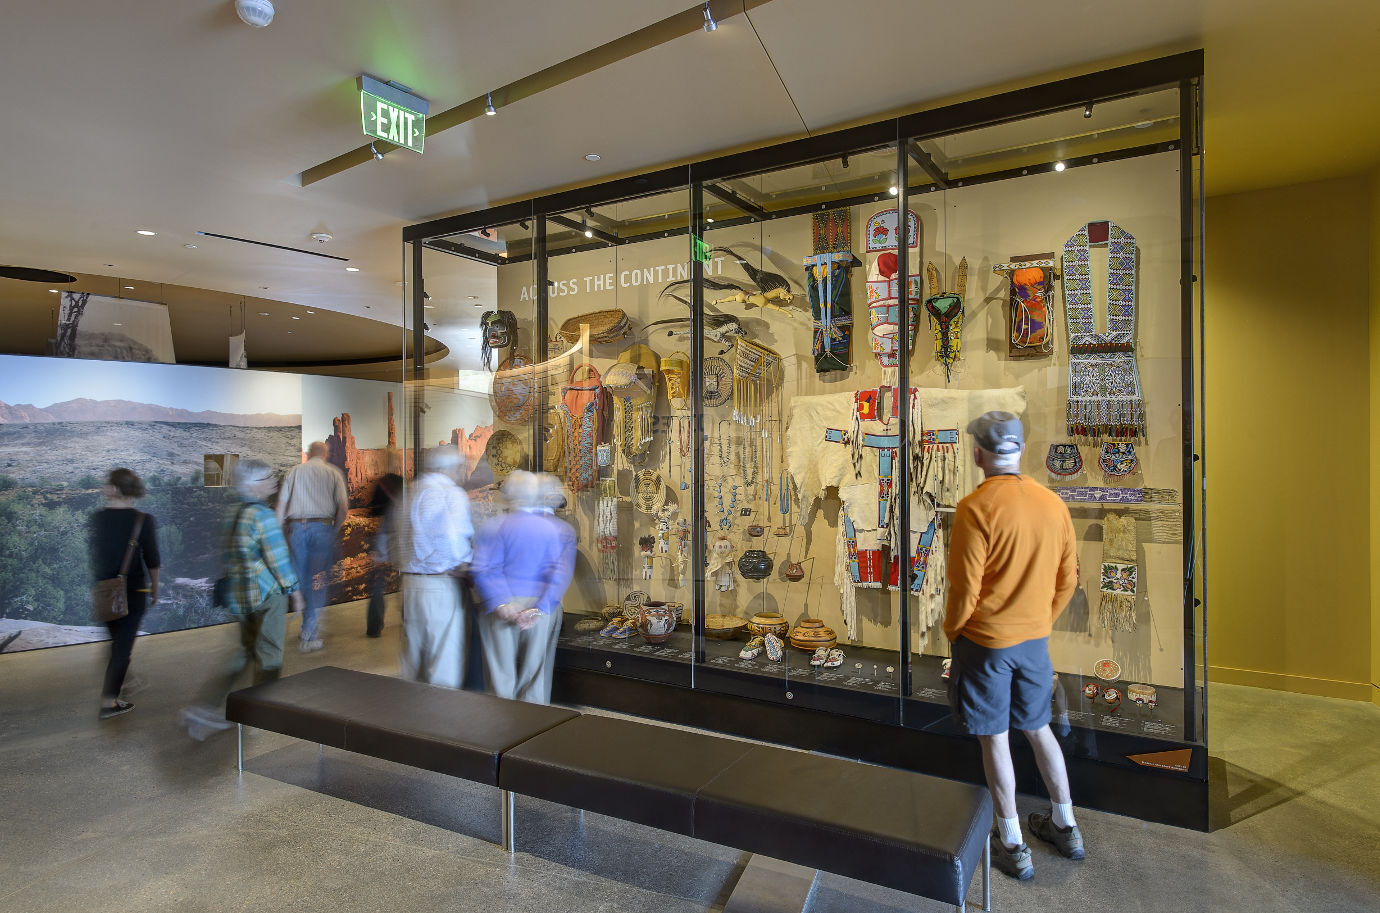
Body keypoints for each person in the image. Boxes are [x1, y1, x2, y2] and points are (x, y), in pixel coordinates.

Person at [943, 411, 1083, 880]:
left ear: (977, 454)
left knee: (995, 738)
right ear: (1021, 449)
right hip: (1034, 642)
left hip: (986, 644)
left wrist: (952, 630)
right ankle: (1066, 826)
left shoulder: (975, 508)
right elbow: (1069, 579)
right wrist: (1041, 619)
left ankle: (1012, 843)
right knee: (1039, 729)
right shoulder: (1053, 504)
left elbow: (965, 589)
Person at [181, 459, 303, 740]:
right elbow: (278, 559)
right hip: (266, 595)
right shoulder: (263, 516)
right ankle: (258, 714)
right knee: (270, 653)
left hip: (240, 596)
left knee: (243, 652)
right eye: (267, 478)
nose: (273, 482)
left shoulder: (233, 512)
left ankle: (204, 707)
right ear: (252, 485)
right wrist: (295, 592)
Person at [471, 472, 575, 704]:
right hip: (539, 607)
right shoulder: (553, 529)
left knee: (500, 675)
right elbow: (558, 573)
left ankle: (501, 720)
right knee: (535, 674)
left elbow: (484, 569)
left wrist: (502, 604)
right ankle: (534, 719)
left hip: (502, 607)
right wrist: (540, 607)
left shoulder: (494, 526)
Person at [395, 446, 473, 689]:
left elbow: (397, 537)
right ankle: (439, 711)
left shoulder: (410, 492)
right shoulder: (451, 494)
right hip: (440, 582)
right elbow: (451, 540)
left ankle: (408, 709)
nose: (462, 471)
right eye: (460, 467)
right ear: (449, 468)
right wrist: (464, 561)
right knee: (443, 661)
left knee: (412, 657)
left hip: (410, 583)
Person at [89, 468, 160, 719]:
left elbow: (97, 557)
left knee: (117, 645)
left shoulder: (97, 519)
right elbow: (152, 559)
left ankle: (125, 682)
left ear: (114, 488)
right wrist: (155, 587)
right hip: (133, 592)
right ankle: (109, 702)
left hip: (104, 591)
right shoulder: (143, 520)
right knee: (122, 649)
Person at [276, 441, 348, 652]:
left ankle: (305, 624)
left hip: (296, 529)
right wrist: (334, 530)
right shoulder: (334, 473)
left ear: (308, 454)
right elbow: (343, 508)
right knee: (318, 581)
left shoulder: (294, 472)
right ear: (325, 454)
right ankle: (310, 629)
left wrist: (277, 535)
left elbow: (280, 507)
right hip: (322, 529)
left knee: (301, 578)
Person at [365, 450, 403, 638]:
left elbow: (373, 510)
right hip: (400, 534)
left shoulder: (381, 483)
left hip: (384, 535)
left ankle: (374, 626)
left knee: (378, 581)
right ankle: (408, 619)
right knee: (404, 579)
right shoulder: (401, 482)